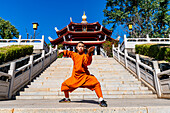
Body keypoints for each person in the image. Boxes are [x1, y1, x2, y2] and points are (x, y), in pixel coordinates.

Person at [58, 42, 107, 107]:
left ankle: (101, 100)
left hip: (84, 76)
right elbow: (69, 52)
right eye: (79, 46)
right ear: (76, 47)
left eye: (82, 46)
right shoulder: (74, 54)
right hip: (75, 77)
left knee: (96, 83)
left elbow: (87, 62)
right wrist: (62, 51)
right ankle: (67, 99)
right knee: (64, 85)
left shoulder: (85, 56)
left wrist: (89, 53)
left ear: (84, 48)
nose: (81, 48)